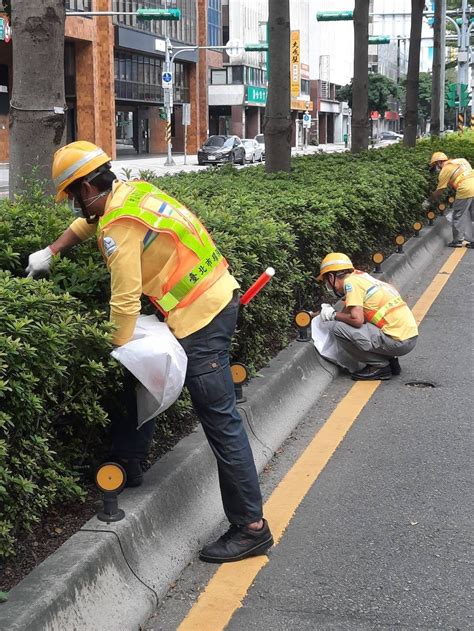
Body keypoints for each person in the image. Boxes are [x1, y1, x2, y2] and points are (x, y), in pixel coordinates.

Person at [26, 141, 273, 564]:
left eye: (71, 194)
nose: (72, 204)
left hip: (202, 318)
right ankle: (130, 460)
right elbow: (91, 222)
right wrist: (51, 250)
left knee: (220, 421)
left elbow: (124, 301)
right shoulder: (129, 194)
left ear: (88, 187)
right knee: (143, 375)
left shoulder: (119, 224)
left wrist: (116, 348)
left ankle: (251, 527)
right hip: (213, 297)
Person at [316, 253, 418, 381]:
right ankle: (391, 362)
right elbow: (348, 312)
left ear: (331, 277)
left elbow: (357, 320)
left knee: (338, 329)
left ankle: (379, 366)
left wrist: (333, 315)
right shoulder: (362, 277)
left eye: (327, 282)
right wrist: (320, 314)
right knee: (350, 324)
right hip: (409, 337)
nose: (329, 286)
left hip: (399, 342)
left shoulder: (350, 284)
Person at [428, 151, 474, 248]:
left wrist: (429, 201)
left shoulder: (445, 170)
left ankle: (457, 240)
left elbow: (439, 191)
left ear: (439, 162)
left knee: (458, 216)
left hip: (465, 191)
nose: (437, 168)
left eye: (435, 165)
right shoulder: (461, 160)